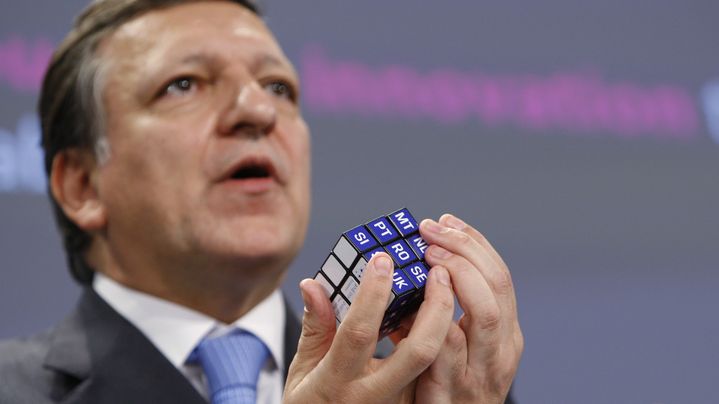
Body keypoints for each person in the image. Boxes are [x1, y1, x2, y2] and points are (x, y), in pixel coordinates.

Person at [0, 0, 523, 403]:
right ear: (82, 186)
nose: (256, 110)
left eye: (278, 87)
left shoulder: (435, 384)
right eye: (183, 84)